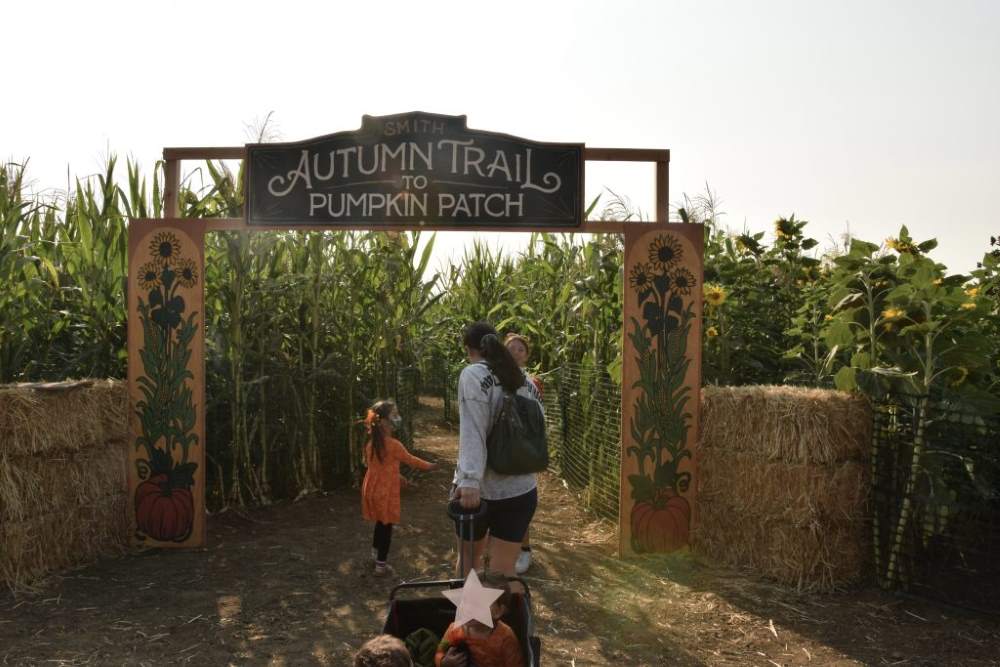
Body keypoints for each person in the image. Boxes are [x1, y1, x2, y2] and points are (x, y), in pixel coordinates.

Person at [453, 321, 542, 582]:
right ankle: (507, 623)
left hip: (478, 493)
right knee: (505, 570)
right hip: (522, 489)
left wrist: (469, 480)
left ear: (471, 350)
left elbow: (472, 429)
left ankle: (468, 624)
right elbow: (540, 425)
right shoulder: (525, 379)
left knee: (469, 565)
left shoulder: (473, 374)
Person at [362, 399, 437, 577]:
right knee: (387, 527)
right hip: (386, 492)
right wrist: (431, 466)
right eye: (394, 415)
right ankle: (381, 566)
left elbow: (380, 467)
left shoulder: (371, 444)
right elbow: (412, 460)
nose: (398, 418)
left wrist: (398, 476)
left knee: (380, 523)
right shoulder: (394, 445)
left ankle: (374, 556)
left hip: (372, 489)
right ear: (384, 421)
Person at [503, 333, 540, 575]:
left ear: (526, 356)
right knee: (502, 505)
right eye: (511, 348)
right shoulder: (495, 379)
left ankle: (525, 550)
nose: (516, 352)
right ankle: (506, 551)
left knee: (520, 503)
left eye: (520, 349)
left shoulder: (530, 383)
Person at [436, 571, 525, 667]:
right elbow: (439, 651)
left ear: (498, 611)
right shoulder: (455, 630)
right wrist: (444, 662)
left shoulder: (506, 638)